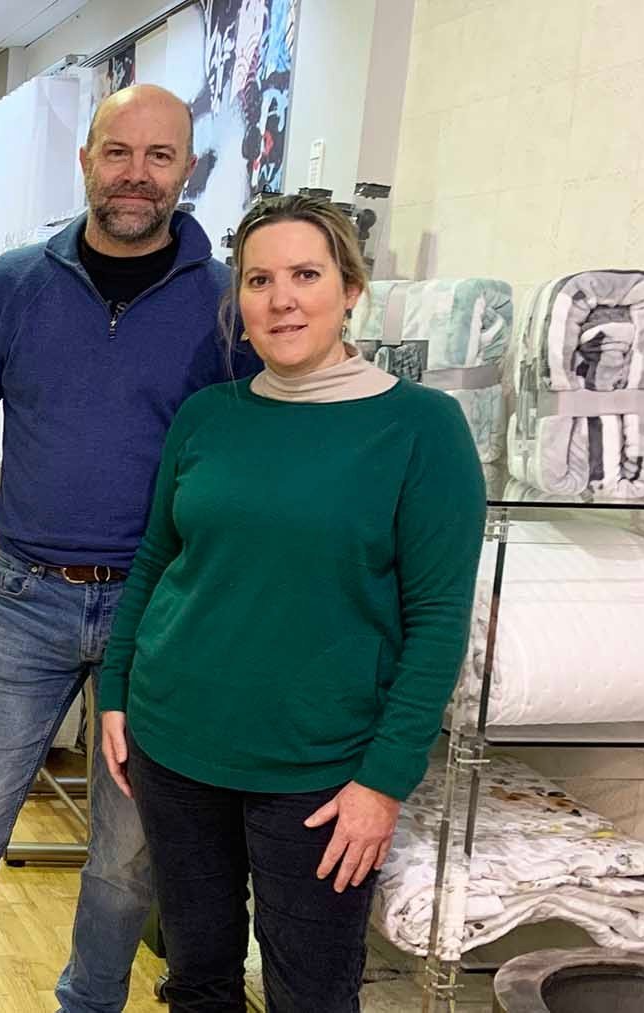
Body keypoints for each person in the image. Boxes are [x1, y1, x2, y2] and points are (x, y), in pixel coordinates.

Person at [0, 84, 258, 1013]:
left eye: (159, 156)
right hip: (24, 600)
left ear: (187, 170)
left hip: (160, 615)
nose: (137, 174)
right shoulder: (12, 284)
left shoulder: (223, 303)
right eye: (118, 152)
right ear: (85, 161)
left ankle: (89, 1005)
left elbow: (252, 455)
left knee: (128, 863)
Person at [97, 195, 485, 1012]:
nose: (281, 299)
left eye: (305, 275)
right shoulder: (209, 416)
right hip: (174, 743)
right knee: (197, 976)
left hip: (317, 773)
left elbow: (439, 620)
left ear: (350, 289)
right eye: (259, 279)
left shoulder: (421, 428)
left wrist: (384, 781)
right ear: (237, 299)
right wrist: (117, 691)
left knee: (310, 990)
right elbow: (158, 559)